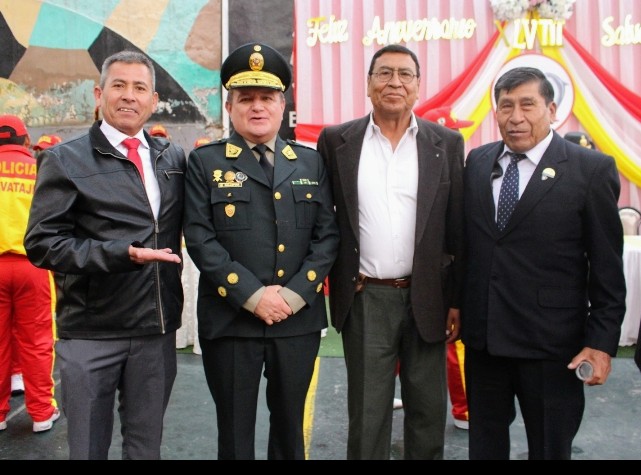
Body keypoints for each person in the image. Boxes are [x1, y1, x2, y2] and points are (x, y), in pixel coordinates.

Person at [24, 50, 186, 459]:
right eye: (119, 85)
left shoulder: (171, 158)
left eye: (139, 88)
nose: (129, 95)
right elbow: (43, 243)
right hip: (91, 333)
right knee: (87, 449)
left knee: (145, 449)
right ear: (99, 94)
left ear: (153, 100)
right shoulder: (64, 159)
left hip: (155, 332)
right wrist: (121, 254)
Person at [183, 42, 339, 460]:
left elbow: (327, 237)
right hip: (232, 320)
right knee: (234, 435)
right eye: (245, 98)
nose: (257, 107)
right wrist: (253, 295)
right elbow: (199, 238)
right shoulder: (205, 163)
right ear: (229, 106)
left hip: (295, 320)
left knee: (290, 432)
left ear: (282, 104)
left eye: (267, 97)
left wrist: (292, 296)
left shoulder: (310, 162)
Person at [461, 66, 626, 460]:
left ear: (552, 110)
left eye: (527, 105)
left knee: (551, 448)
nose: (516, 117)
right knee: (484, 447)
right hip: (486, 342)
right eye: (506, 106)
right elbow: (469, 246)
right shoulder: (478, 162)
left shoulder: (590, 170)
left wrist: (600, 344)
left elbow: (607, 268)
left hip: (552, 346)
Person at [316, 44, 465, 460]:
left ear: (418, 86)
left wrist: (456, 299)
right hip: (366, 296)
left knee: (428, 412)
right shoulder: (337, 141)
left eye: (405, 74)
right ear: (368, 84)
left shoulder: (446, 143)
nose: (394, 82)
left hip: (428, 296)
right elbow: (323, 218)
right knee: (368, 415)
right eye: (384, 73)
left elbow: (457, 229)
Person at [0, 114, 58, 433]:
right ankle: (41, 413)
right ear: (25, 140)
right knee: (37, 340)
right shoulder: (39, 169)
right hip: (32, 264)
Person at [423, 106, 474, 431]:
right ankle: (464, 409)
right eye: (453, 132)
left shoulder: (464, 167)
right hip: (438, 275)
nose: (458, 137)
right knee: (453, 347)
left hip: (442, 275)